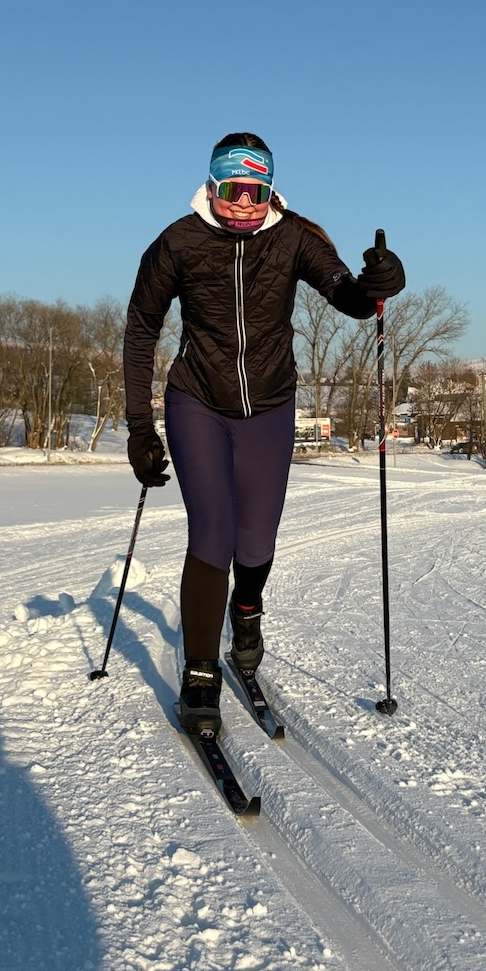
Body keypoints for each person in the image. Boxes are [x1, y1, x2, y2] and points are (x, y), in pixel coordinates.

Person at [122, 133, 405, 735]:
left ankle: (246, 610)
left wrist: (377, 284)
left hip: (270, 406)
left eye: (256, 191)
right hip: (197, 400)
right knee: (213, 531)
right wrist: (139, 427)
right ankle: (200, 672)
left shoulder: (294, 238)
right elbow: (141, 328)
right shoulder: (177, 242)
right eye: (233, 189)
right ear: (212, 186)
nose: (244, 203)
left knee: (255, 542)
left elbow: (348, 296)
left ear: (270, 190)